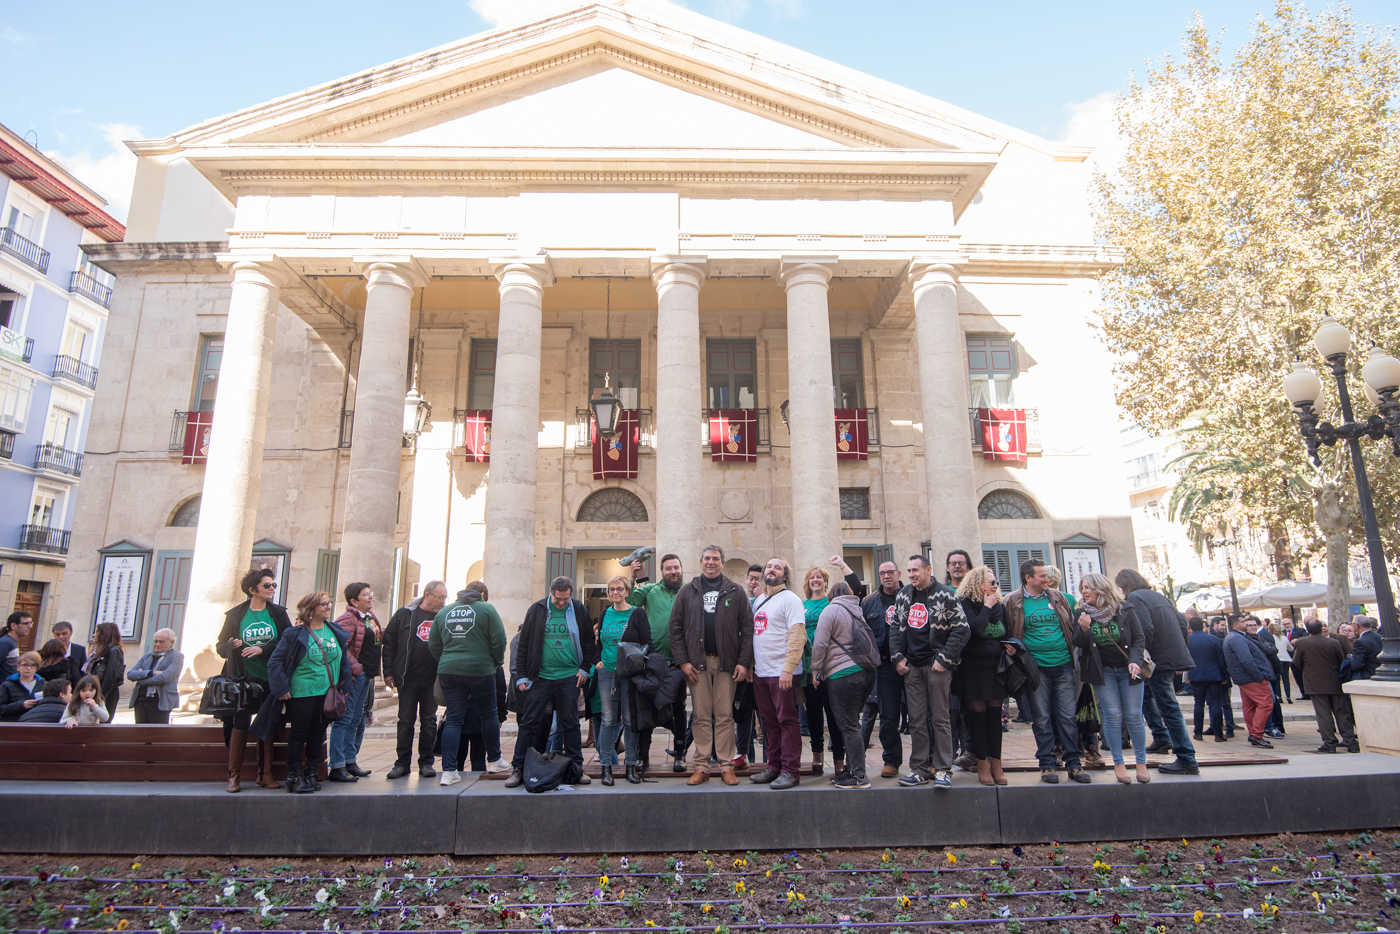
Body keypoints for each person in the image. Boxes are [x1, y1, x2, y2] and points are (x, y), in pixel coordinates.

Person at [669, 545, 753, 786]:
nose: (711, 562)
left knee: (725, 715)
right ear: (700, 561)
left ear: (722, 563)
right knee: (701, 716)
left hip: (727, 663)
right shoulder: (687, 592)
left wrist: (744, 662)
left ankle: (726, 765)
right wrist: (683, 661)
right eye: (707, 558)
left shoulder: (735, 592)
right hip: (697, 664)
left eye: (716, 559)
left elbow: (747, 630)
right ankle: (702, 765)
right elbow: (675, 629)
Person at [505, 577, 597, 788]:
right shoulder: (536, 610)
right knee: (529, 723)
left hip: (568, 677)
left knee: (571, 724)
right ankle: (518, 768)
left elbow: (588, 641)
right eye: (558, 599)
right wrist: (521, 676)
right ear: (551, 592)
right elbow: (524, 643)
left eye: (566, 599)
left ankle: (576, 769)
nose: (562, 603)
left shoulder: (578, 609)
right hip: (541, 678)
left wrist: (584, 668)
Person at [890, 554, 970, 789]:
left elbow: (962, 629)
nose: (912, 574)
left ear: (928, 570)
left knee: (940, 718)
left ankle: (944, 768)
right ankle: (919, 769)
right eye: (909, 571)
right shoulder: (904, 595)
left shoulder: (945, 594)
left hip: (936, 666)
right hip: (911, 667)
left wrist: (944, 658)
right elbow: (895, 627)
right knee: (916, 720)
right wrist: (897, 658)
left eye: (916, 570)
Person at [1005, 559, 1088, 784]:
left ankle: (1074, 762)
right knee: (1041, 718)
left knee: (1067, 717)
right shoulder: (1013, 601)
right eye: (1041, 576)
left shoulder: (1058, 597)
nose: (1046, 579)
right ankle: (1047, 763)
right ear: (1028, 578)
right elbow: (1008, 631)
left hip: (1063, 665)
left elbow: (1070, 625)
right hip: (1036, 669)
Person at [259, 592, 351, 793]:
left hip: (327, 692)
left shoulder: (334, 631)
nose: (328, 607)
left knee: (317, 735)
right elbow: (275, 662)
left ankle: (311, 772)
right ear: (311, 610)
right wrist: (281, 688)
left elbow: (343, 660)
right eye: (323, 604)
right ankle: (294, 776)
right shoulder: (294, 634)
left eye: (329, 604)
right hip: (302, 692)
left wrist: (345, 686)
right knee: (299, 734)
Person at [1115, 569, 1199, 776]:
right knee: (1149, 698)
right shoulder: (1160, 597)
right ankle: (1162, 738)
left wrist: (1142, 656)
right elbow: (1181, 623)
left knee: (1167, 706)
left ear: (1124, 586)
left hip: (1157, 660)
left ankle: (1186, 756)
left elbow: (1144, 629)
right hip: (1170, 656)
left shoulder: (1135, 598)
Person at [216, 568, 293, 792]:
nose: (271, 589)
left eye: (273, 585)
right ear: (252, 590)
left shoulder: (278, 613)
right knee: (239, 724)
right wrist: (232, 645)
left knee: (267, 724)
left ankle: (265, 773)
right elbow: (221, 647)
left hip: (269, 678)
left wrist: (263, 649)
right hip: (242, 679)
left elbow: (288, 641)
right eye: (266, 585)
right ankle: (234, 775)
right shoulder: (236, 615)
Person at [431, 579, 509, 786]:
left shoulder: (444, 612)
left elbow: (434, 643)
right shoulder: (486, 610)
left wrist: (446, 659)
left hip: (449, 669)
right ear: (481, 595)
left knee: (454, 719)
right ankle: (494, 759)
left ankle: (449, 771)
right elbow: (499, 639)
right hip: (480, 669)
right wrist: (495, 661)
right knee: (488, 714)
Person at [1075, 574, 1149, 785]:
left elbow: (1139, 638)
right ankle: (1119, 763)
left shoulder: (1125, 609)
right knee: (1113, 714)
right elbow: (1078, 643)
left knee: (1134, 715)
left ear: (1101, 588)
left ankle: (1141, 762)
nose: (1084, 591)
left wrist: (1135, 660)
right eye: (1082, 588)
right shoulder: (1081, 613)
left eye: (1088, 587)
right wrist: (1084, 628)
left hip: (1129, 670)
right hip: (1102, 671)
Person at [747, 557, 807, 790]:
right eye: (769, 567)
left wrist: (788, 669)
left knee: (787, 721)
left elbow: (797, 636)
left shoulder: (790, 600)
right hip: (761, 673)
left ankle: (790, 770)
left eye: (778, 567)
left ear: (785, 575)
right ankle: (773, 766)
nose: (772, 570)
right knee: (769, 722)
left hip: (782, 672)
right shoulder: (760, 600)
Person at [800, 557, 862, 776]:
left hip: (832, 668)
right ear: (807, 583)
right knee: (813, 716)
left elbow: (857, 590)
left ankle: (838, 760)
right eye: (812, 578)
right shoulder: (801, 605)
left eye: (819, 577)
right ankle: (817, 757)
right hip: (808, 669)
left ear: (825, 582)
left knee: (835, 716)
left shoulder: (832, 603)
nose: (815, 580)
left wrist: (842, 565)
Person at [628, 554, 689, 773]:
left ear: (681, 569)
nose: (673, 572)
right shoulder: (651, 590)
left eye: (676, 567)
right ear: (661, 572)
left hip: (679, 662)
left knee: (678, 709)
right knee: (647, 709)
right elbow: (632, 599)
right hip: (654, 661)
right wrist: (633, 575)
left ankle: (680, 755)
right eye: (669, 569)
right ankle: (643, 757)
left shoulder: (689, 592)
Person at [811, 581, 875, 789]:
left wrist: (816, 669)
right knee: (853, 723)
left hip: (843, 673)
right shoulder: (857, 610)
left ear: (831, 595)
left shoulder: (830, 611)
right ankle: (852, 768)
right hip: (866, 672)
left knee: (848, 725)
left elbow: (820, 643)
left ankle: (858, 776)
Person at [383, 580, 447, 779]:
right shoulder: (405, 615)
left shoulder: (442, 617)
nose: (443, 601)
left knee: (429, 721)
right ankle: (402, 763)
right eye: (441, 597)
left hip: (432, 680)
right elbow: (389, 643)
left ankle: (426, 762)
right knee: (405, 721)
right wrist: (388, 672)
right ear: (428, 595)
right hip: (408, 678)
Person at [955, 566, 1010, 786]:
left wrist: (1011, 646)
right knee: (977, 717)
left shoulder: (1000, 605)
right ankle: (982, 763)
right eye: (991, 582)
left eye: (996, 582)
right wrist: (986, 608)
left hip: (995, 668)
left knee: (995, 717)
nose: (995, 586)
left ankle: (997, 762)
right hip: (973, 668)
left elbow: (1006, 631)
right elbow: (974, 630)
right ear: (978, 584)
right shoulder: (965, 604)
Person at [594, 575, 648, 786]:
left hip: (629, 673)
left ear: (627, 591)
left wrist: (639, 665)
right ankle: (606, 766)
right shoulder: (604, 613)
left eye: (619, 589)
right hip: (607, 672)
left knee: (629, 719)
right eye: (611, 590)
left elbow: (646, 642)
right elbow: (599, 642)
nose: (615, 593)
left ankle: (631, 765)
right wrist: (597, 660)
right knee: (608, 720)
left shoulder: (637, 613)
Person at [328, 582, 379, 783]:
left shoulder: (371, 618)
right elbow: (340, 645)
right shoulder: (348, 619)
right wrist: (355, 666)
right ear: (354, 600)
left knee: (358, 718)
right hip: (354, 677)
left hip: (367, 675)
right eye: (365, 594)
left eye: (370, 593)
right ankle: (337, 765)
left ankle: (351, 760)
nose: (370, 597)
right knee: (345, 718)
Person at [860, 560, 904, 779]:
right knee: (888, 716)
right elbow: (862, 634)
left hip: (910, 663)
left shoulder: (911, 596)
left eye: (890, 572)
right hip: (884, 666)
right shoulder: (869, 602)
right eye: (882, 573)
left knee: (922, 715)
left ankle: (927, 760)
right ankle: (891, 760)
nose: (886, 576)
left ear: (899, 573)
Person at [1292, 619, 1360, 753]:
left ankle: (1329, 742)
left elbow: (1296, 662)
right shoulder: (1333, 642)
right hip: (1334, 681)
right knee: (1342, 712)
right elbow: (1341, 659)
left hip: (1314, 683)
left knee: (1323, 714)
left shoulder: (1302, 643)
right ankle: (1350, 740)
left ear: (1308, 630)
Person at [1222, 613, 1278, 748]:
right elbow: (1246, 659)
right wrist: (1259, 676)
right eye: (1243, 622)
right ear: (1236, 624)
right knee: (1265, 703)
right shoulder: (1237, 638)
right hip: (1251, 677)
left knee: (1250, 705)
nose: (1246, 624)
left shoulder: (1235, 637)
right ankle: (1257, 734)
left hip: (1245, 677)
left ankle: (1254, 733)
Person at [126, 629, 184, 724]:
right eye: (155, 641)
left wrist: (141, 679)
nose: (157, 644)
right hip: (141, 700)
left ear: (171, 642)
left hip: (160, 701)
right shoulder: (148, 656)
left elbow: (165, 677)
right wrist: (150, 673)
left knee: (158, 734)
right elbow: (130, 674)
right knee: (140, 733)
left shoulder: (176, 657)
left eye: (161, 642)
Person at [1185, 616, 1228, 743]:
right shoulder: (1213, 639)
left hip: (1196, 675)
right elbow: (1221, 660)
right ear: (1203, 626)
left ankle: (1198, 732)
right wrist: (1224, 676)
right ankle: (1218, 733)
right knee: (1215, 704)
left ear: (1190, 627)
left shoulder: (1188, 640)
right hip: (1214, 675)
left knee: (1198, 704)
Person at [1246, 616, 1286, 738]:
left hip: (1269, 673)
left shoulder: (1261, 636)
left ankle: (1271, 726)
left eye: (1254, 625)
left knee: (1271, 701)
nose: (1252, 627)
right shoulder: (1247, 639)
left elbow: (1273, 650)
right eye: (1249, 625)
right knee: (1266, 702)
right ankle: (1265, 727)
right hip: (1259, 675)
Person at [84, 622, 125, 720]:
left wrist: (100, 695)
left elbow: (111, 677)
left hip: (106, 694)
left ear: (104, 634)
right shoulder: (99, 651)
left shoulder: (114, 651)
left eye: (97, 632)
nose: (94, 635)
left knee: (103, 722)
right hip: (95, 691)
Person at [0, 652, 44, 720]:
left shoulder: (43, 684)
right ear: (18, 667)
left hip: (36, 722)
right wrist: (21, 705)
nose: (29, 668)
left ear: (37, 668)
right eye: (25, 665)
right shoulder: (7, 685)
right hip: (14, 724)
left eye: (33, 665)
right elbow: (1, 709)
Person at [0, 612, 34, 679]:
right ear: (13, 626)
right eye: (26, 623)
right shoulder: (6, 642)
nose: (30, 627)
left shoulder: (12, 642)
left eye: (31, 623)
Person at [1350, 616, 1383, 680]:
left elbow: (1356, 665)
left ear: (1356, 626)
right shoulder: (1380, 637)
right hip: (1380, 674)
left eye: (1352, 624)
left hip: (1366, 676)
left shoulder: (1360, 642)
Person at [1271, 621, 1294, 702]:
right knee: (1286, 678)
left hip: (1277, 659)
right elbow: (1290, 648)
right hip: (1286, 659)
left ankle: (1279, 696)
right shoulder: (1284, 638)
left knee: (1277, 679)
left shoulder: (1272, 638)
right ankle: (1288, 697)